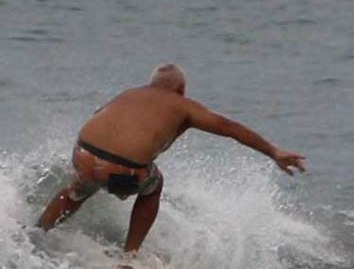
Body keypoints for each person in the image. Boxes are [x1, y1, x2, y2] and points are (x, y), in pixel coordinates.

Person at [38, 63, 306, 252]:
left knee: (80, 188)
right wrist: (273, 152)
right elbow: (230, 128)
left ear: (151, 83)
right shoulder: (183, 106)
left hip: (82, 155)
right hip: (122, 170)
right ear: (181, 88)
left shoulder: (129, 94)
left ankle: (38, 232)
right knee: (154, 184)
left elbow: (101, 117)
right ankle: (129, 260)